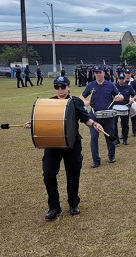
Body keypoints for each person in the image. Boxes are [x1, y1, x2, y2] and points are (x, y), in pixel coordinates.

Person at [23, 76, 104, 220]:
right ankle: (54, 207)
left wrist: (94, 124)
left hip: (72, 144)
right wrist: (33, 122)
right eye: (57, 87)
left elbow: (86, 118)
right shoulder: (49, 102)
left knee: (73, 175)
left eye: (62, 86)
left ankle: (73, 204)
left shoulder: (76, 102)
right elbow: (43, 119)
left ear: (68, 86)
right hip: (53, 144)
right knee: (48, 174)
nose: (60, 90)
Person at [80, 66, 124, 168]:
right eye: (96, 72)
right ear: (94, 74)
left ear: (104, 73)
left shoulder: (110, 85)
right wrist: (85, 101)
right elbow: (82, 96)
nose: (98, 74)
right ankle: (96, 160)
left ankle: (111, 156)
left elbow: (120, 96)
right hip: (94, 116)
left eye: (100, 72)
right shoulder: (91, 85)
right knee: (94, 137)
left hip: (108, 116)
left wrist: (119, 97)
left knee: (109, 136)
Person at [113, 73, 136, 145]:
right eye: (120, 79)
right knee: (114, 124)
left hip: (125, 108)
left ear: (125, 79)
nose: (121, 80)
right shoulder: (114, 86)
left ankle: (125, 138)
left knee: (125, 125)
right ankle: (116, 139)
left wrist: (133, 99)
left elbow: (135, 95)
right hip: (115, 108)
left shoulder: (129, 87)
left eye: (122, 79)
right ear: (118, 79)